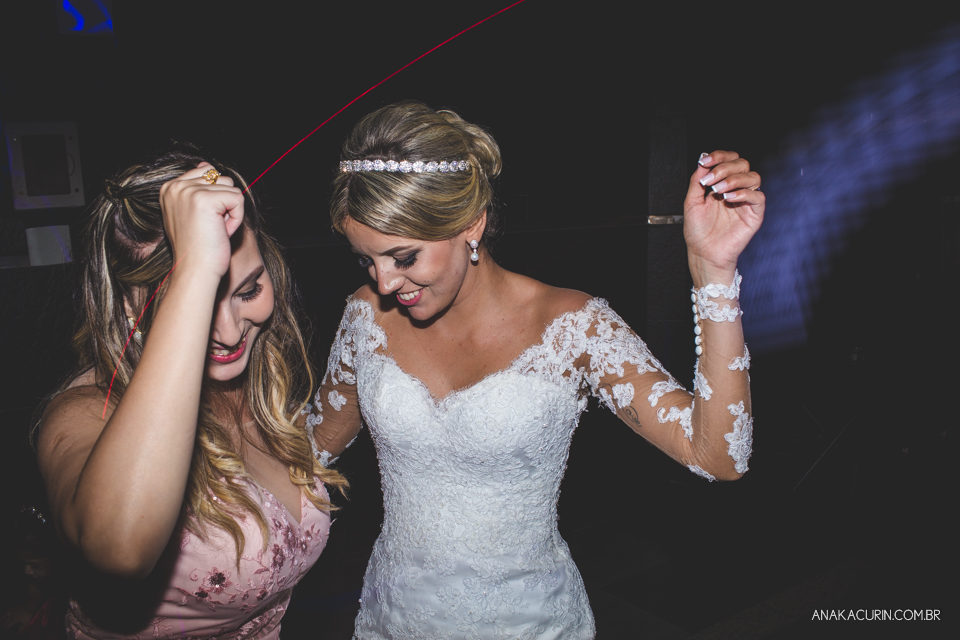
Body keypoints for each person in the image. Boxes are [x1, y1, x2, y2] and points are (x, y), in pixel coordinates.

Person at [308, 101, 763, 639]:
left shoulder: (572, 326)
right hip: (395, 619)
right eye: (368, 260)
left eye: (403, 257)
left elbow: (719, 455)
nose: (384, 282)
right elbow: (309, 451)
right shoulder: (367, 317)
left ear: (471, 225)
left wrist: (713, 272)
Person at [34, 147, 347, 638]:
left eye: (247, 291)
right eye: (195, 301)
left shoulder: (261, 383)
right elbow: (120, 548)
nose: (227, 331)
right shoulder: (82, 414)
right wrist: (195, 268)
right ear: (125, 305)